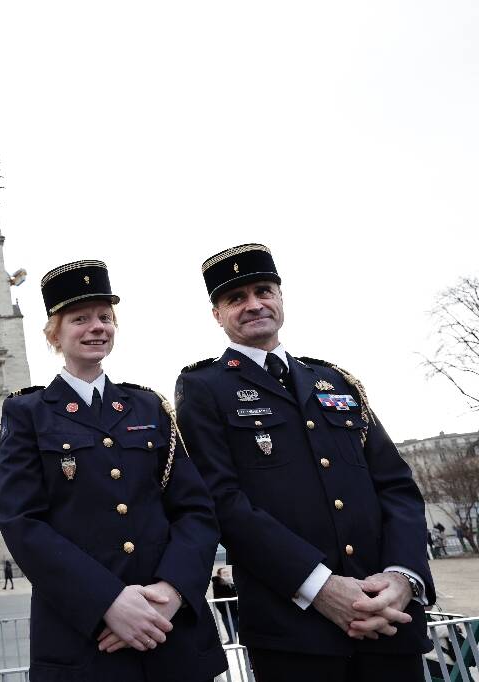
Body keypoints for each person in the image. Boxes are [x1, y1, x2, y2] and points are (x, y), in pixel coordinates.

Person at [175, 243, 435, 682]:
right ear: (217, 314)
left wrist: (402, 579)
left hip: (389, 619)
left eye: (264, 291)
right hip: (295, 633)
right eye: (235, 298)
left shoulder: (335, 381)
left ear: (280, 297)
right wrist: (318, 586)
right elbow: (223, 501)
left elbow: (396, 487)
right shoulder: (203, 388)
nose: (254, 305)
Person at [0, 260, 227, 681]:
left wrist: (172, 592)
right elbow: (21, 520)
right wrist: (107, 602)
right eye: (80, 319)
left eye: (105, 317)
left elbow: (195, 509)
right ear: (55, 334)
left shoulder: (149, 406)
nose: (96, 327)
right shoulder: (27, 412)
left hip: (170, 633)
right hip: (86, 644)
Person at [210, 567, 239, 644]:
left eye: (227, 572)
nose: (227, 574)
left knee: (243, 638)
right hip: (227, 614)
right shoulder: (218, 584)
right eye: (224, 573)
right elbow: (218, 601)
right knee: (232, 639)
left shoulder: (232, 584)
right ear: (219, 575)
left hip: (237, 614)